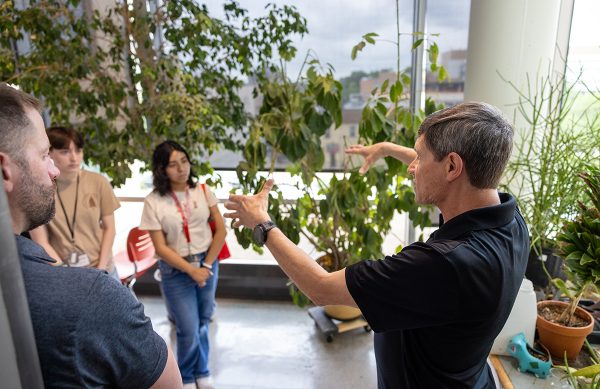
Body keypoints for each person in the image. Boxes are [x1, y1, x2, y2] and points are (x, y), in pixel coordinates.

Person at [224, 102, 529, 388]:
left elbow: (320, 287)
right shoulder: (510, 220)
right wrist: (387, 149)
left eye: (420, 157)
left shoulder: (443, 265)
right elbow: (453, 175)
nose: (413, 167)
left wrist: (262, 224)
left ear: (452, 166)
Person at [0, 83, 182, 388]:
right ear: (5, 170)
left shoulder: (97, 183)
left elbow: (108, 227)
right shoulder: (94, 301)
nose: (55, 169)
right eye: (46, 154)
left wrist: (96, 267)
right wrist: (75, 283)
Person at [140, 140, 226, 389]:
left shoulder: (203, 190)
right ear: (161, 170)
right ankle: (186, 377)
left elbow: (220, 230)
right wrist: (192, 271)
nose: (181, 169)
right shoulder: (154, 201)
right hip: (175, 270)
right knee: (187, 328)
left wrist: (206, 267)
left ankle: (202, 371)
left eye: (184, 161)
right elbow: (160, 247)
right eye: (173, 164)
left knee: (203, 321)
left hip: (208, 263)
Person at [30, 126, 121, 279]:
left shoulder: (98, 182)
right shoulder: (39, 190)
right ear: (49, 153)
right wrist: (64, 272)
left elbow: (109, 228)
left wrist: (101, 269)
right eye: (65, 152)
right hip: (65, 273)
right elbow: (41, 240)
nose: (74, 158)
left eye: (78, 150)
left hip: (103, 269)